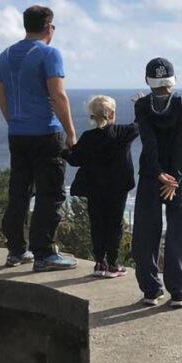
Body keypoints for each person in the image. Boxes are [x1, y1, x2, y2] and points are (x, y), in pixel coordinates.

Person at [0, 5, 78, 271]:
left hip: (17, 134)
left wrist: (14, 122)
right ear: (49, 28)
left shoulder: (5, 55)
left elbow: (2, 96)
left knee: (18, 191)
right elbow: (58, 95)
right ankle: (44, 254)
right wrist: (71, 133)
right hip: (46, 132)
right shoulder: (50, 53)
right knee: (50, 193)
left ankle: (16, 250)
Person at [131, 57, 182, 307]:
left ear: (148, 80)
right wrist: (174, 178)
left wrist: (158, 175)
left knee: (146, 234)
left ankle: (150, 290)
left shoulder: (142, 105)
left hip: (150, 177)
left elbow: (149, 142)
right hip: (178, 179)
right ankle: (178, 291)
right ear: (173, 80)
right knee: (178, 234)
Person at [66, 96, 139, 278]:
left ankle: (100, 263)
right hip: (118, 188)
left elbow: (75, 160)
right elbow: (140, 124)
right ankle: (113, 265)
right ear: (113, 113)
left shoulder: (88, 137)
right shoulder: (123, 132)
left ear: (92, 116)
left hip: (94, 188)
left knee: (97, 223)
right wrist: (140, 105)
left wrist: (65, 150)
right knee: (114, 224)